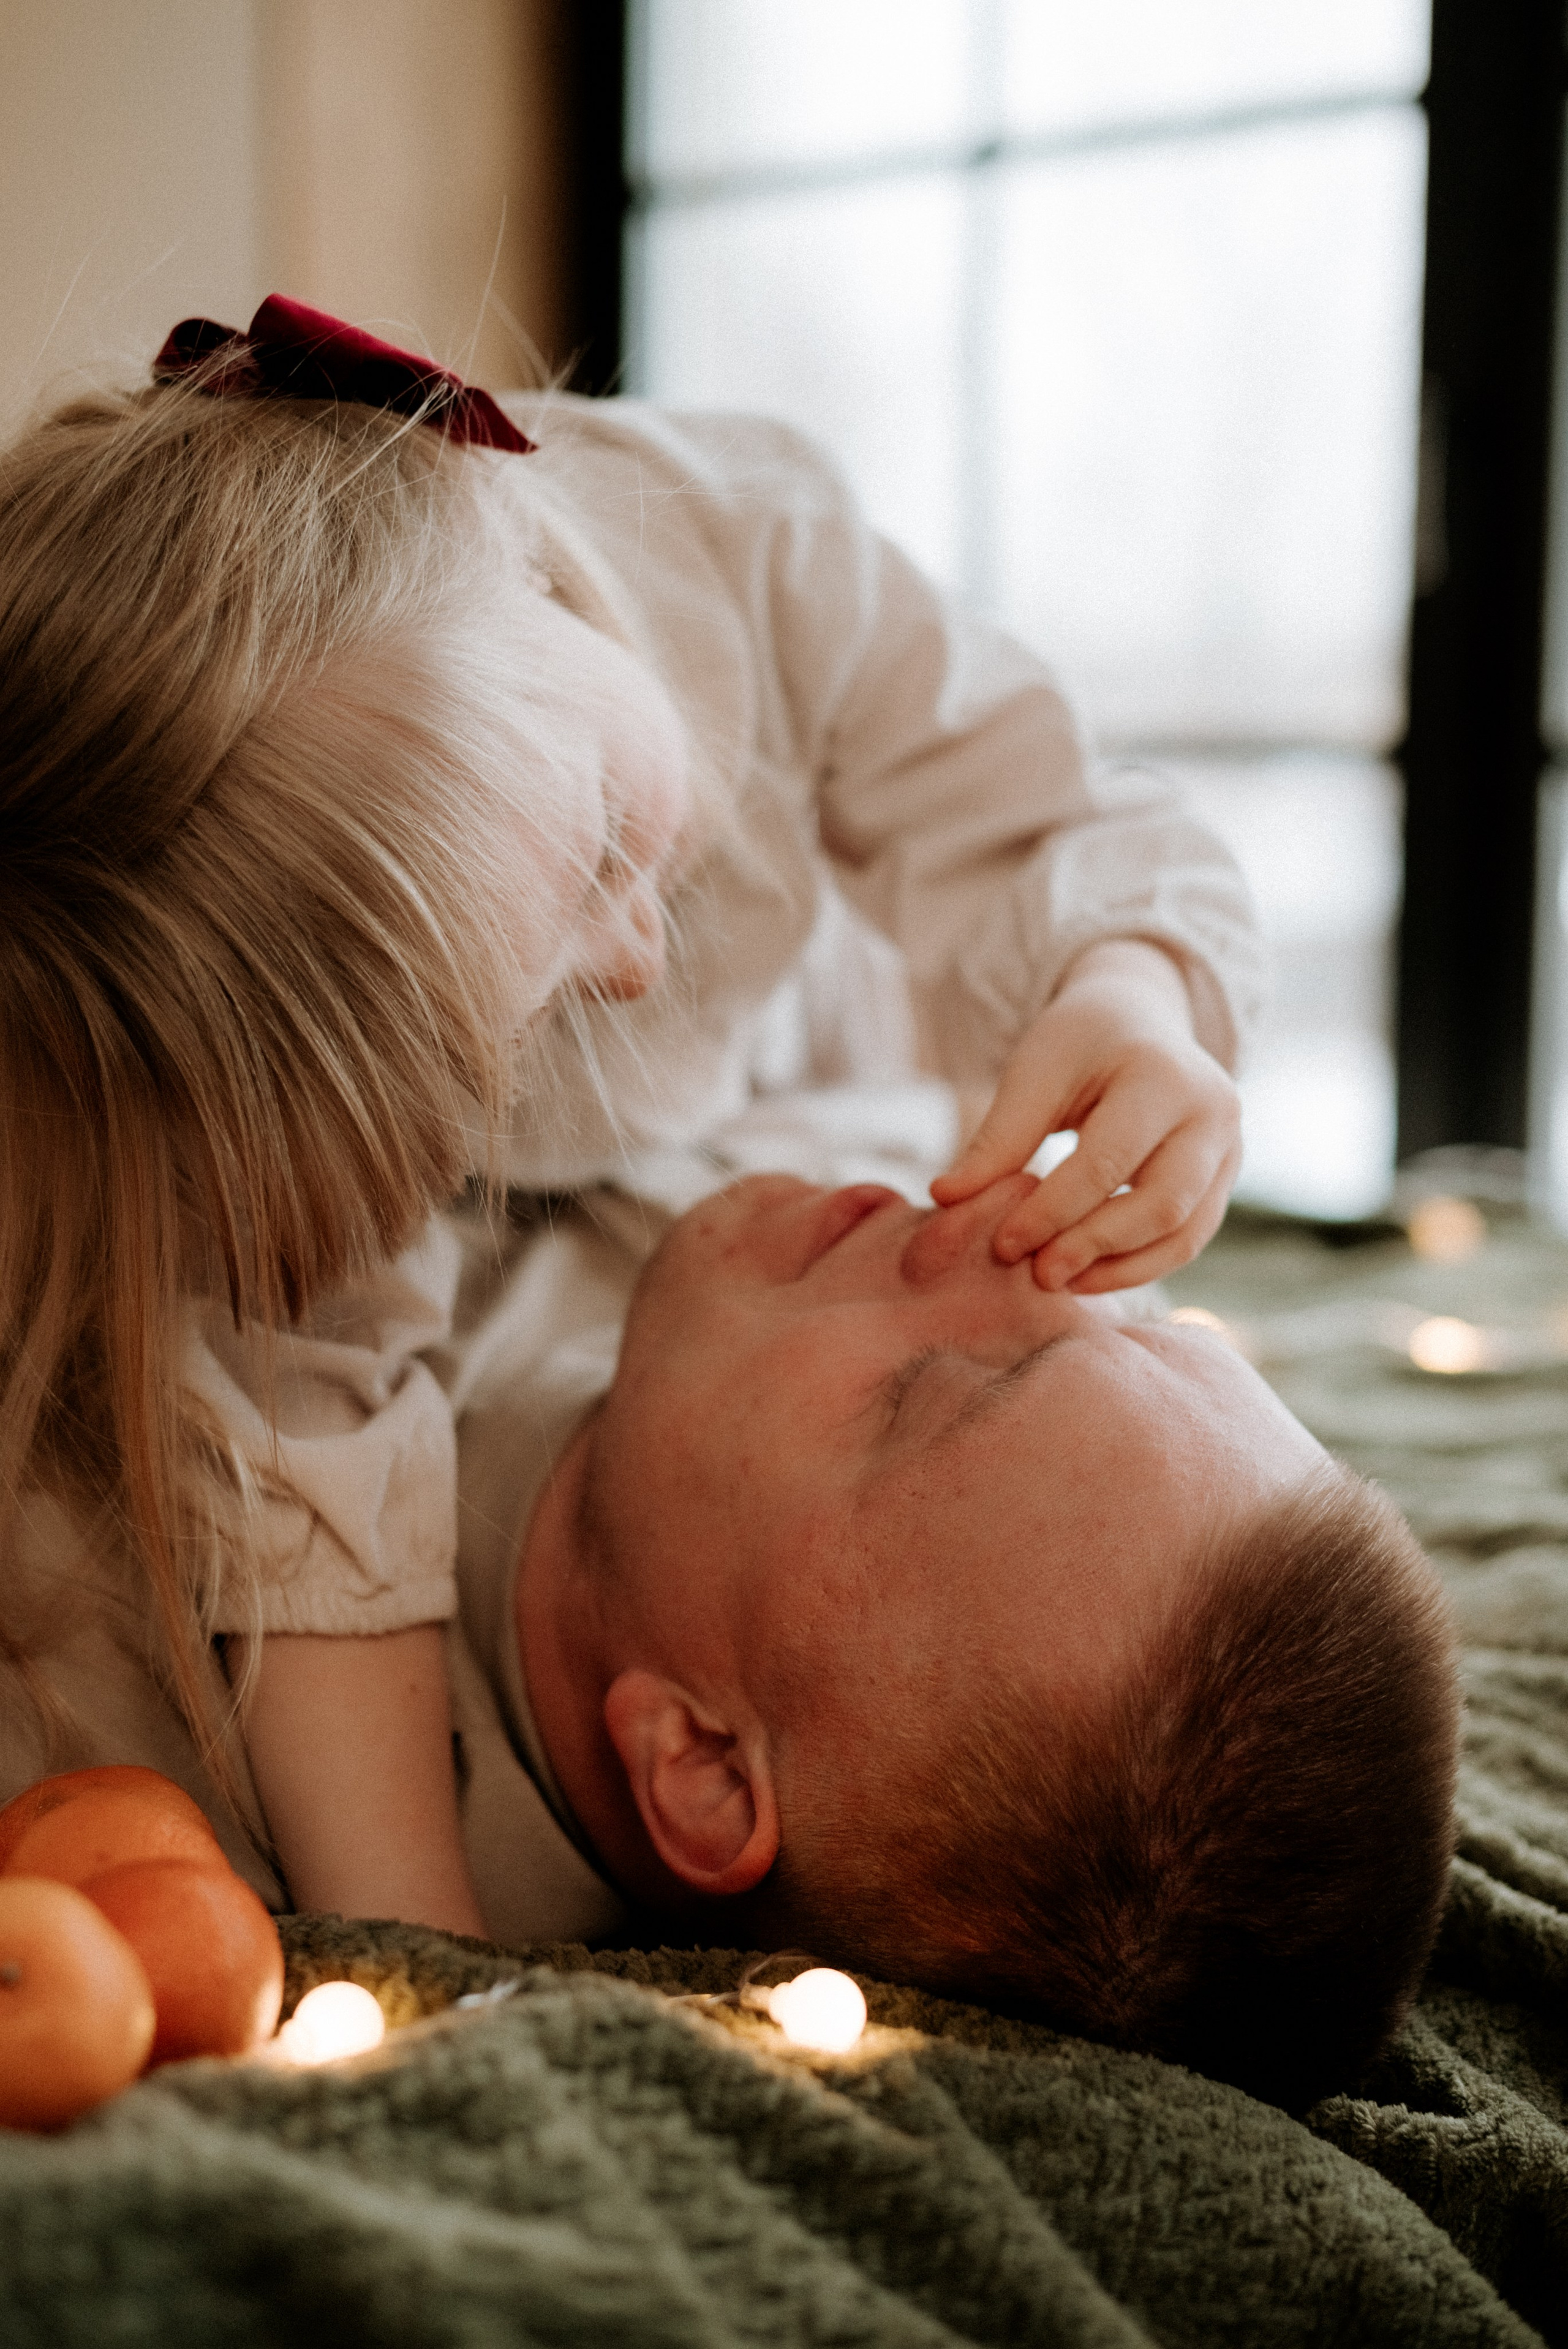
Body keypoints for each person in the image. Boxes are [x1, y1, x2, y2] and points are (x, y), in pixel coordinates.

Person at [0, 298, 1260, 1938]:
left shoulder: (756, 556)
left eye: (603, 839)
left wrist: (1134, 991)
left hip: (791, 1052)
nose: (635, 955)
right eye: (512, 1008)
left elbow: (1046, 818)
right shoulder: (267, 1044)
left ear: (522, 561)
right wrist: (416, 1942)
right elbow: (309, 1408)